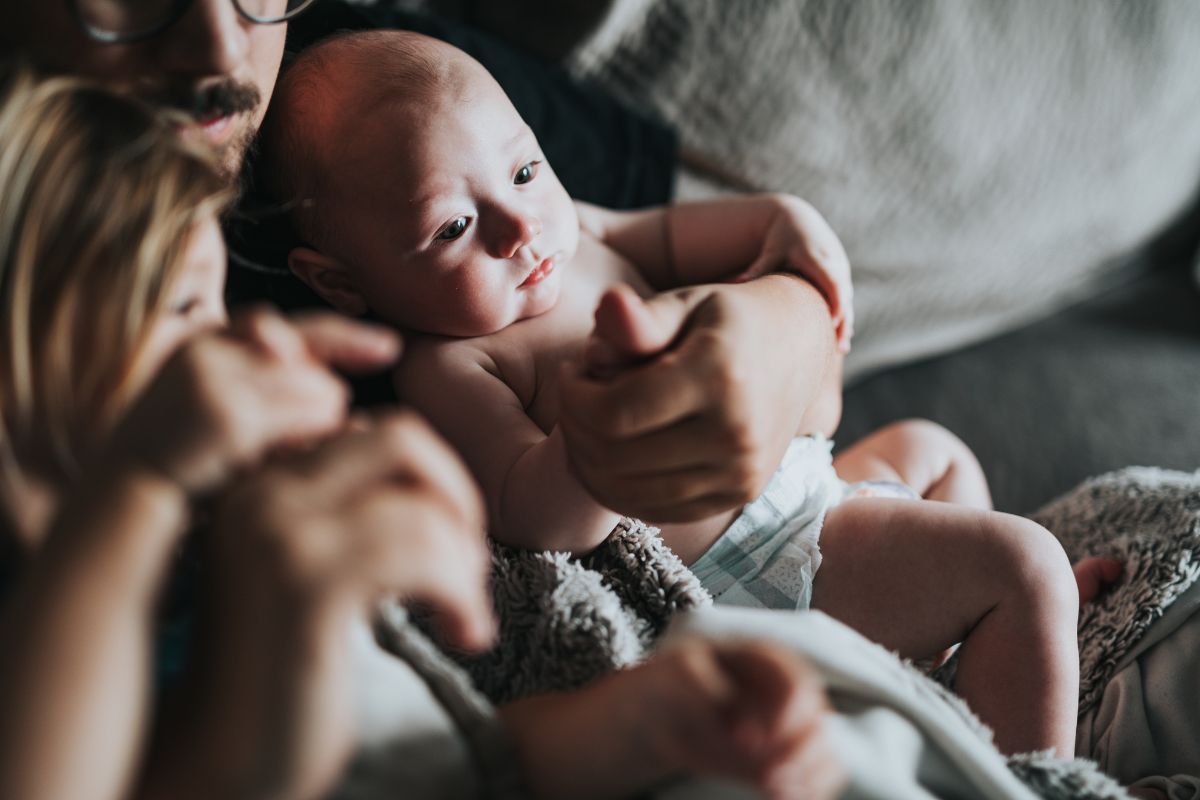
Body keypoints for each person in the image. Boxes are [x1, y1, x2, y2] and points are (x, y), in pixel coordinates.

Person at [0, 65, 846, 800]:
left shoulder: (235, 510)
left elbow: (448, 743)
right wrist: (140, 489)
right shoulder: (95, 583)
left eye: (218, 302)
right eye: (184, 307)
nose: (241, 339)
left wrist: (642, 723)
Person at [263, 29, 1089, 758]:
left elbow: (672, 234)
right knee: (1027, 564)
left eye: (522, 168)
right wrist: (591, 434)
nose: (518, 229)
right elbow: (534, 514)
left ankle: (975, 662)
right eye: (452, 228)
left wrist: (783, 220)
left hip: (808, 493)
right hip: (749, 573)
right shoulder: (446, 367)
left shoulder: (574, 225)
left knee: (935, 447)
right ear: (338, 283)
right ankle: (1025, 773)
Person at [0, 0, 842, 528]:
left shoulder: (379, 66)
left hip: (815, 472)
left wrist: (785, 327)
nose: (222, 44)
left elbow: (754, 280)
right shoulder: (354, 199)